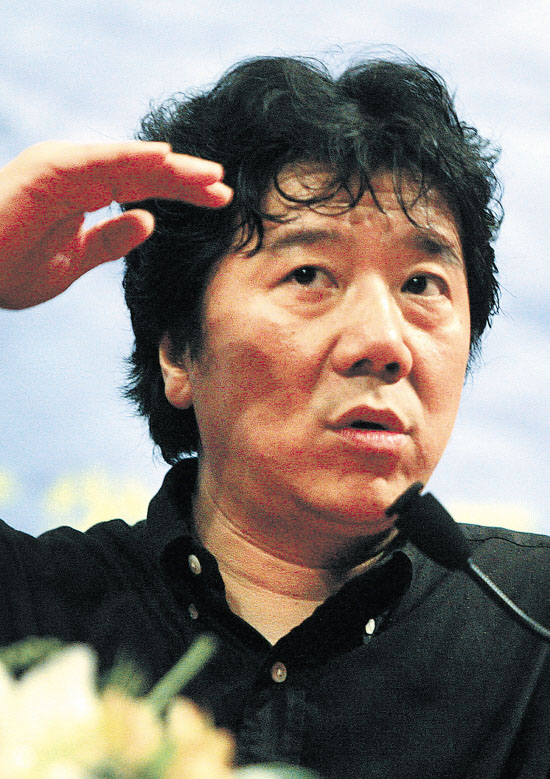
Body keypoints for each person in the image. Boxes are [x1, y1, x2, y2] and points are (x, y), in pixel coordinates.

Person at [0, 55, 549, 779]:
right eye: (309, 274)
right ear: (178, 351)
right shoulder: (33, 604)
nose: (383, 343)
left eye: (421, 283)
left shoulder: (534, 628)